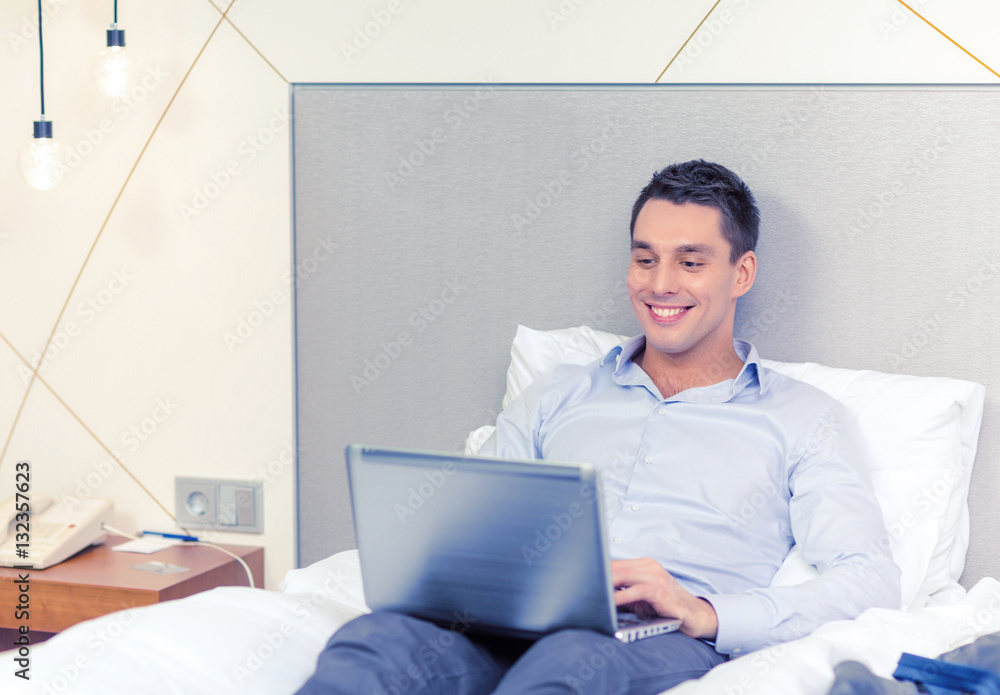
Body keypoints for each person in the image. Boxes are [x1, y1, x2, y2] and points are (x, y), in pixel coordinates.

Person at [296, 160, 901, 695]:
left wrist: (705, 611)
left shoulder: (803, 419)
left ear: (741, 273)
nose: (660, 283)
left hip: (658, 640)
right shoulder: (557, 395)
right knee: (375, 640)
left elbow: (868, 580)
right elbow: (479, 533)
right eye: (645, 259)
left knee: (573, 663)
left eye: (690, 262)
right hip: (508, 623)